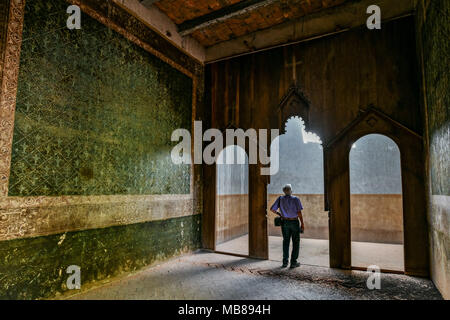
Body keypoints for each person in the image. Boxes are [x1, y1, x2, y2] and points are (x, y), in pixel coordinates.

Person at [270, 184, 305, 268]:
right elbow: (299, 213)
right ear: (291, 191)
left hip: (285, 222)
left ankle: (285, 262)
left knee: (286, 241)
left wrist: (280, 214)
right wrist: (302, 223)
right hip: (294, 222)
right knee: (296, 242)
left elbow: (272, 209)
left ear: (284, 191)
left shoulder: (280, 198)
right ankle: (293, 262)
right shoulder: (296, 199)